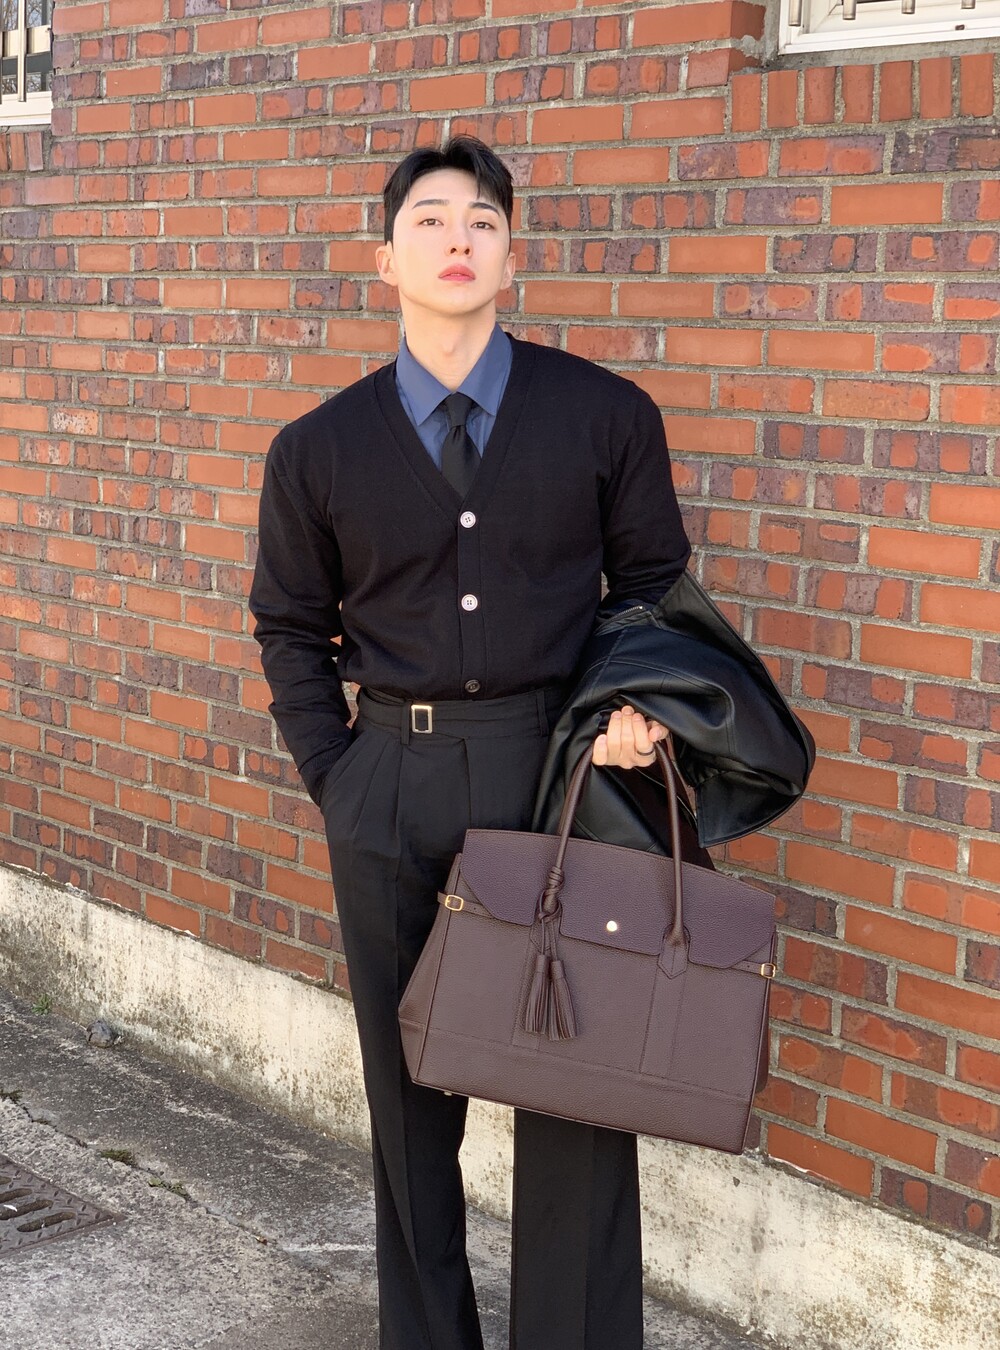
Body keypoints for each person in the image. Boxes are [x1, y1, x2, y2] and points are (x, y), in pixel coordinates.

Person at [248, 134, 691, 1350]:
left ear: (511, 256)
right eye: (431, 220)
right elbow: (288, 626)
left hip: (560, 780)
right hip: (389, 781)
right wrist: (338, 777)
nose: (459, 238)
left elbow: (651, 589)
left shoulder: (604, 415)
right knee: (407, 1099)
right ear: (384, 260)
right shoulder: (317, 449)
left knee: (575, 1094)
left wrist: (626, 705)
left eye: (483, 221)